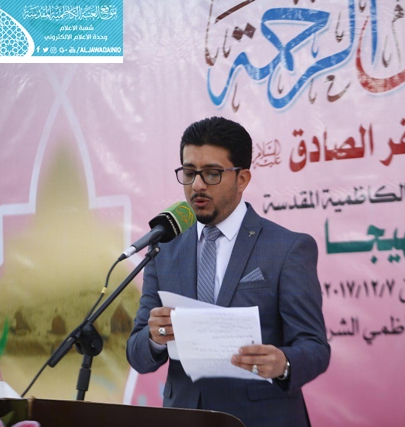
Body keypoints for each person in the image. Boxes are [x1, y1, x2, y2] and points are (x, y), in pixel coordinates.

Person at [126, 116, 330, 427]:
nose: (197, 185)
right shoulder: (165, 248)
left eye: (212, 173)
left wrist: (284, 363)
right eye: (189, 173)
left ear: (243, 178)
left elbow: (315, 347)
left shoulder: (287, 248)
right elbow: (137, 353)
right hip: (185, 417)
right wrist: (154, 338)